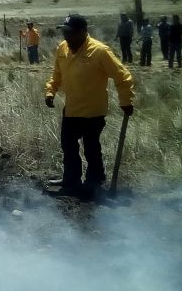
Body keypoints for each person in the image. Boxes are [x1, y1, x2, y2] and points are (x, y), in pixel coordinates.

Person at [45, 14, 134, 201]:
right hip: (72, 109)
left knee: (91, 147)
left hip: (93, 111)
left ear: (83, 32)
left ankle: (94, 182)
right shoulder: (63, 48)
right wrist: (50, 91)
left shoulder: (100, 51)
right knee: (68, 146)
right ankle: (71, 181)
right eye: (65, 32)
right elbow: (57, 74)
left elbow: (122, 76)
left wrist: (126, 101)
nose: (67, 37)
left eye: (70, 33)